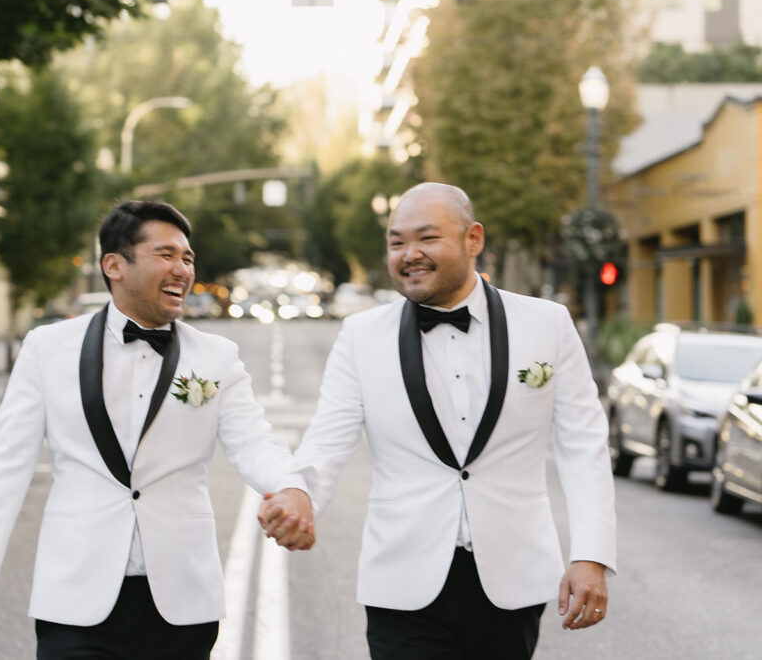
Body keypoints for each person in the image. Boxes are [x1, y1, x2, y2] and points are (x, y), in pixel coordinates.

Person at [0, 200, 315, 659]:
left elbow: (254, 440)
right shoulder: (47, 349)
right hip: (76, 600)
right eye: (166, 255)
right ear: (114, 265)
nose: (182, 269)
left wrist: (290, 486)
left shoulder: (216, 357)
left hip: (182, 601)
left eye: (187, 257)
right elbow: (5, 468)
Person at [263, 182, 616, 659]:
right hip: (403, 583)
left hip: (512, 579)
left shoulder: (546, 324)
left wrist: (591, 555)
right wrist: (298, 495)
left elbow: (584, 446)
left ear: (473, 239)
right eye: (396, 242)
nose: (409, 254)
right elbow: (327, 439)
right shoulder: (361, 336)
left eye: (427, 238)